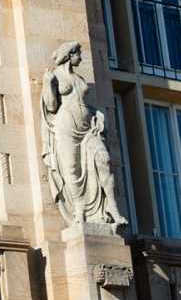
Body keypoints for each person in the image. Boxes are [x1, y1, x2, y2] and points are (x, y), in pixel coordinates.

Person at [41, 41, 126, 228]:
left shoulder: (79, 78)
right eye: (78, 53)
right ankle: (79, 210)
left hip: (87, 128)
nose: (81, 57)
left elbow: (84, 103)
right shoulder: (55, 76)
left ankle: (112, 207)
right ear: (69, 55)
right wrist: (48, 84)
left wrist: (98, 114)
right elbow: (51, 106)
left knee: (103, 159)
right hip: (66, 126)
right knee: (71, 168)